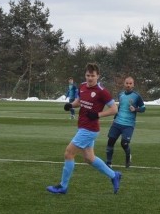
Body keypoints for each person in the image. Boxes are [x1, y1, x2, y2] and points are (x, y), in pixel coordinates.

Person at [47, 63, 122, 194]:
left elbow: (114, 109)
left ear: (98, 76)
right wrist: (70, 105)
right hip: (82, 126)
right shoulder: (82, 86)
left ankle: (63, 186)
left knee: (69, 153)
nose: (90, 78)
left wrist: (98, 114)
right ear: (85, 75)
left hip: (89, 129)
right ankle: (114, 175)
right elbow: (79, 101)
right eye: (88, 75)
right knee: (89, 158)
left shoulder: (102, 92)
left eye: (93, 75)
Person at [106, 76, 146, 168]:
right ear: (124, 84)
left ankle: (128, 156)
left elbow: (143, 108)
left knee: (124, 143)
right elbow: (119, 108)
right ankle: (108, 163)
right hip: (117, 122)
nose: (128, 85)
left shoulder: (137, 96)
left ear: (133, 85)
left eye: (130, 83)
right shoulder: (121, 95)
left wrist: (135, 109)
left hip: (128, 124)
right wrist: (114, 119)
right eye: (127, 83)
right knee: (110, 141)